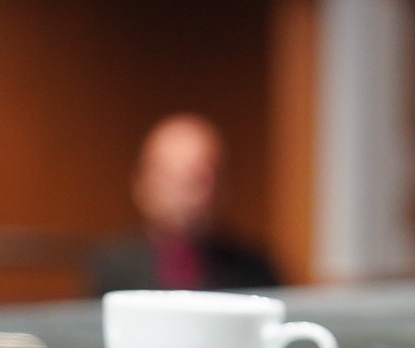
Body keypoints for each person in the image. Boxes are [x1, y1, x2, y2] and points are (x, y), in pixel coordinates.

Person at [87, 113, 281, 297]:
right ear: (141, 183)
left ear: (223, 185)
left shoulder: (254, 269)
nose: (185, 195)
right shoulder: (112, 267)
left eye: (199, 179)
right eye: (171, 178)